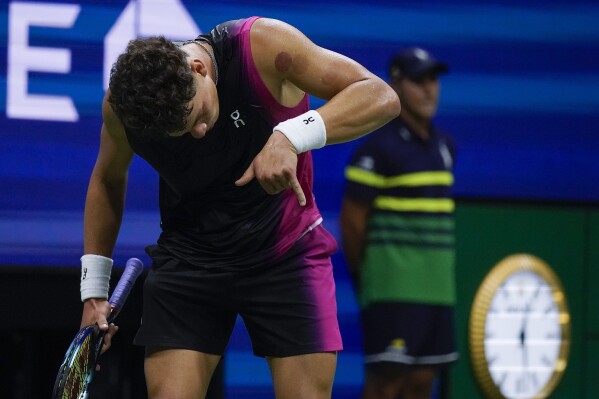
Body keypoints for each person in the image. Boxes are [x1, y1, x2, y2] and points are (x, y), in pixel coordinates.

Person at [78, 16, 401, 399]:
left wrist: (289, 136)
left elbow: (380, 96)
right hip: (190, 261)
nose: (198, 132)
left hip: (286, 253)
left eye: (197, 115)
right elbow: (107, 179)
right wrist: (94, 292)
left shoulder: (263, 47)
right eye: (181, 133)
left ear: (198, 68)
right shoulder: (125, 109)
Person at [340, 47, 458, 399]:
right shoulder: (376, 150)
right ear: (396, 85)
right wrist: (373, 277)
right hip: (392, 292)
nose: (429, 89)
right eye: (419, 80)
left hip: (437, 290)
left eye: (433, 80)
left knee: (423, 383)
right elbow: (351, 222)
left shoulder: (445, 146)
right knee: (385, 386)